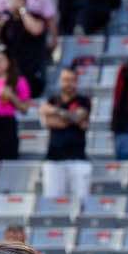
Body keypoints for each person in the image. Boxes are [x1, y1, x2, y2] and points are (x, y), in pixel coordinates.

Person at [40, 65, 91, 199]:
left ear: (76, 82)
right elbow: (48, 122)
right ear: (60, 81)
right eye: (65, 80)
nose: (68, 83)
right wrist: (73, 120)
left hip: (78, 160)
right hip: (53, 160)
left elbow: (78, 118)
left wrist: (55, 111)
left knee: (81, 203)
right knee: (52, 204)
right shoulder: (52, 100)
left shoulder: (83, 101)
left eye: (71, 80)